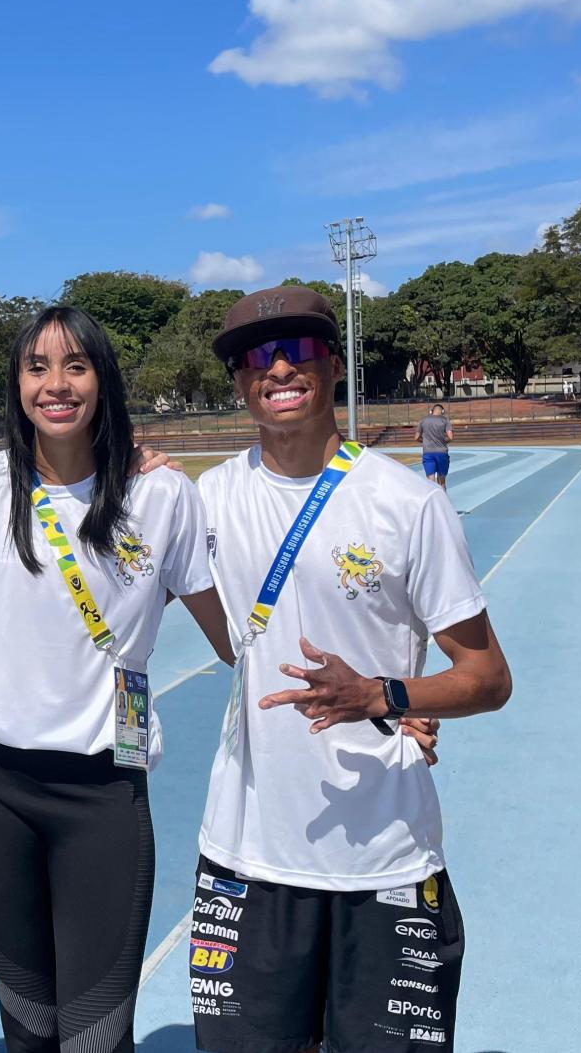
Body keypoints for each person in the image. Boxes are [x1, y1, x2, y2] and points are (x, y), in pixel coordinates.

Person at [191, 285, 513, 1053]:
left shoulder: (406, 505)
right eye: (255, 357)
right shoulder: (204, 499)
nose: (278, 368)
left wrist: (384, 693)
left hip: (385, 858)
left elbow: (488, 675)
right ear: (238, 380)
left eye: (297, 349)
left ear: (332, 363)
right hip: (248, 856)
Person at [0, 305, 231, 1053]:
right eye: (36, 367)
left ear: (103, 380)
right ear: (16, 384)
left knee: (97, 1036)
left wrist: (385, 692)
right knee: (28, 1029)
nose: (56, 384)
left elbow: (234, 636)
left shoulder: (160, 495)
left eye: (76, 365)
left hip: (103, 793)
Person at [415, 403, 452, 489]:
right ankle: (443, 500)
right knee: (442, 480)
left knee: (430, 481)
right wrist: (444, 442)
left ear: (431, 411)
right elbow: (451, 437)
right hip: (442, 452)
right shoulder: (445, 420)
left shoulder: (423, 421)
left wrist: (424, 441)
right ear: (442, 411)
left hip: (428, 453)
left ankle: (433, 500)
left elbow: (416, 438)